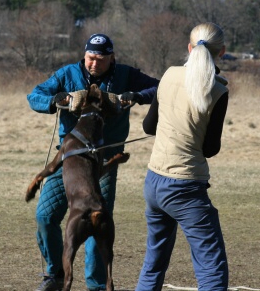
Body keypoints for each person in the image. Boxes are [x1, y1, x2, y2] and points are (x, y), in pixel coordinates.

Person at [27, 33, 159, 291]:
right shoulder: (67, 74)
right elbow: (35, 95)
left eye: (100, 59)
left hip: (105, 160)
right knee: (45, 216)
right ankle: (54, 275)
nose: (94, 64)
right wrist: (54, 101)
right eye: (90, 58)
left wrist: (137, 95)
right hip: (70, 159)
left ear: (112, 57)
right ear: (84, 55)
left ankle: (97, 286)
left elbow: (160, 87)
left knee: (98, 222)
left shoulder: (124, 74)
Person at [135, 22, 230, 291]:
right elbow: (210, 148)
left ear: (189, 48)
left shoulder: (168, 75)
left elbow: (148, 127)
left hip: (154, 182)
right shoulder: (219, 90)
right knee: (211, 266)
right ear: (221, 52)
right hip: (186, 186)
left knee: (153, 263)